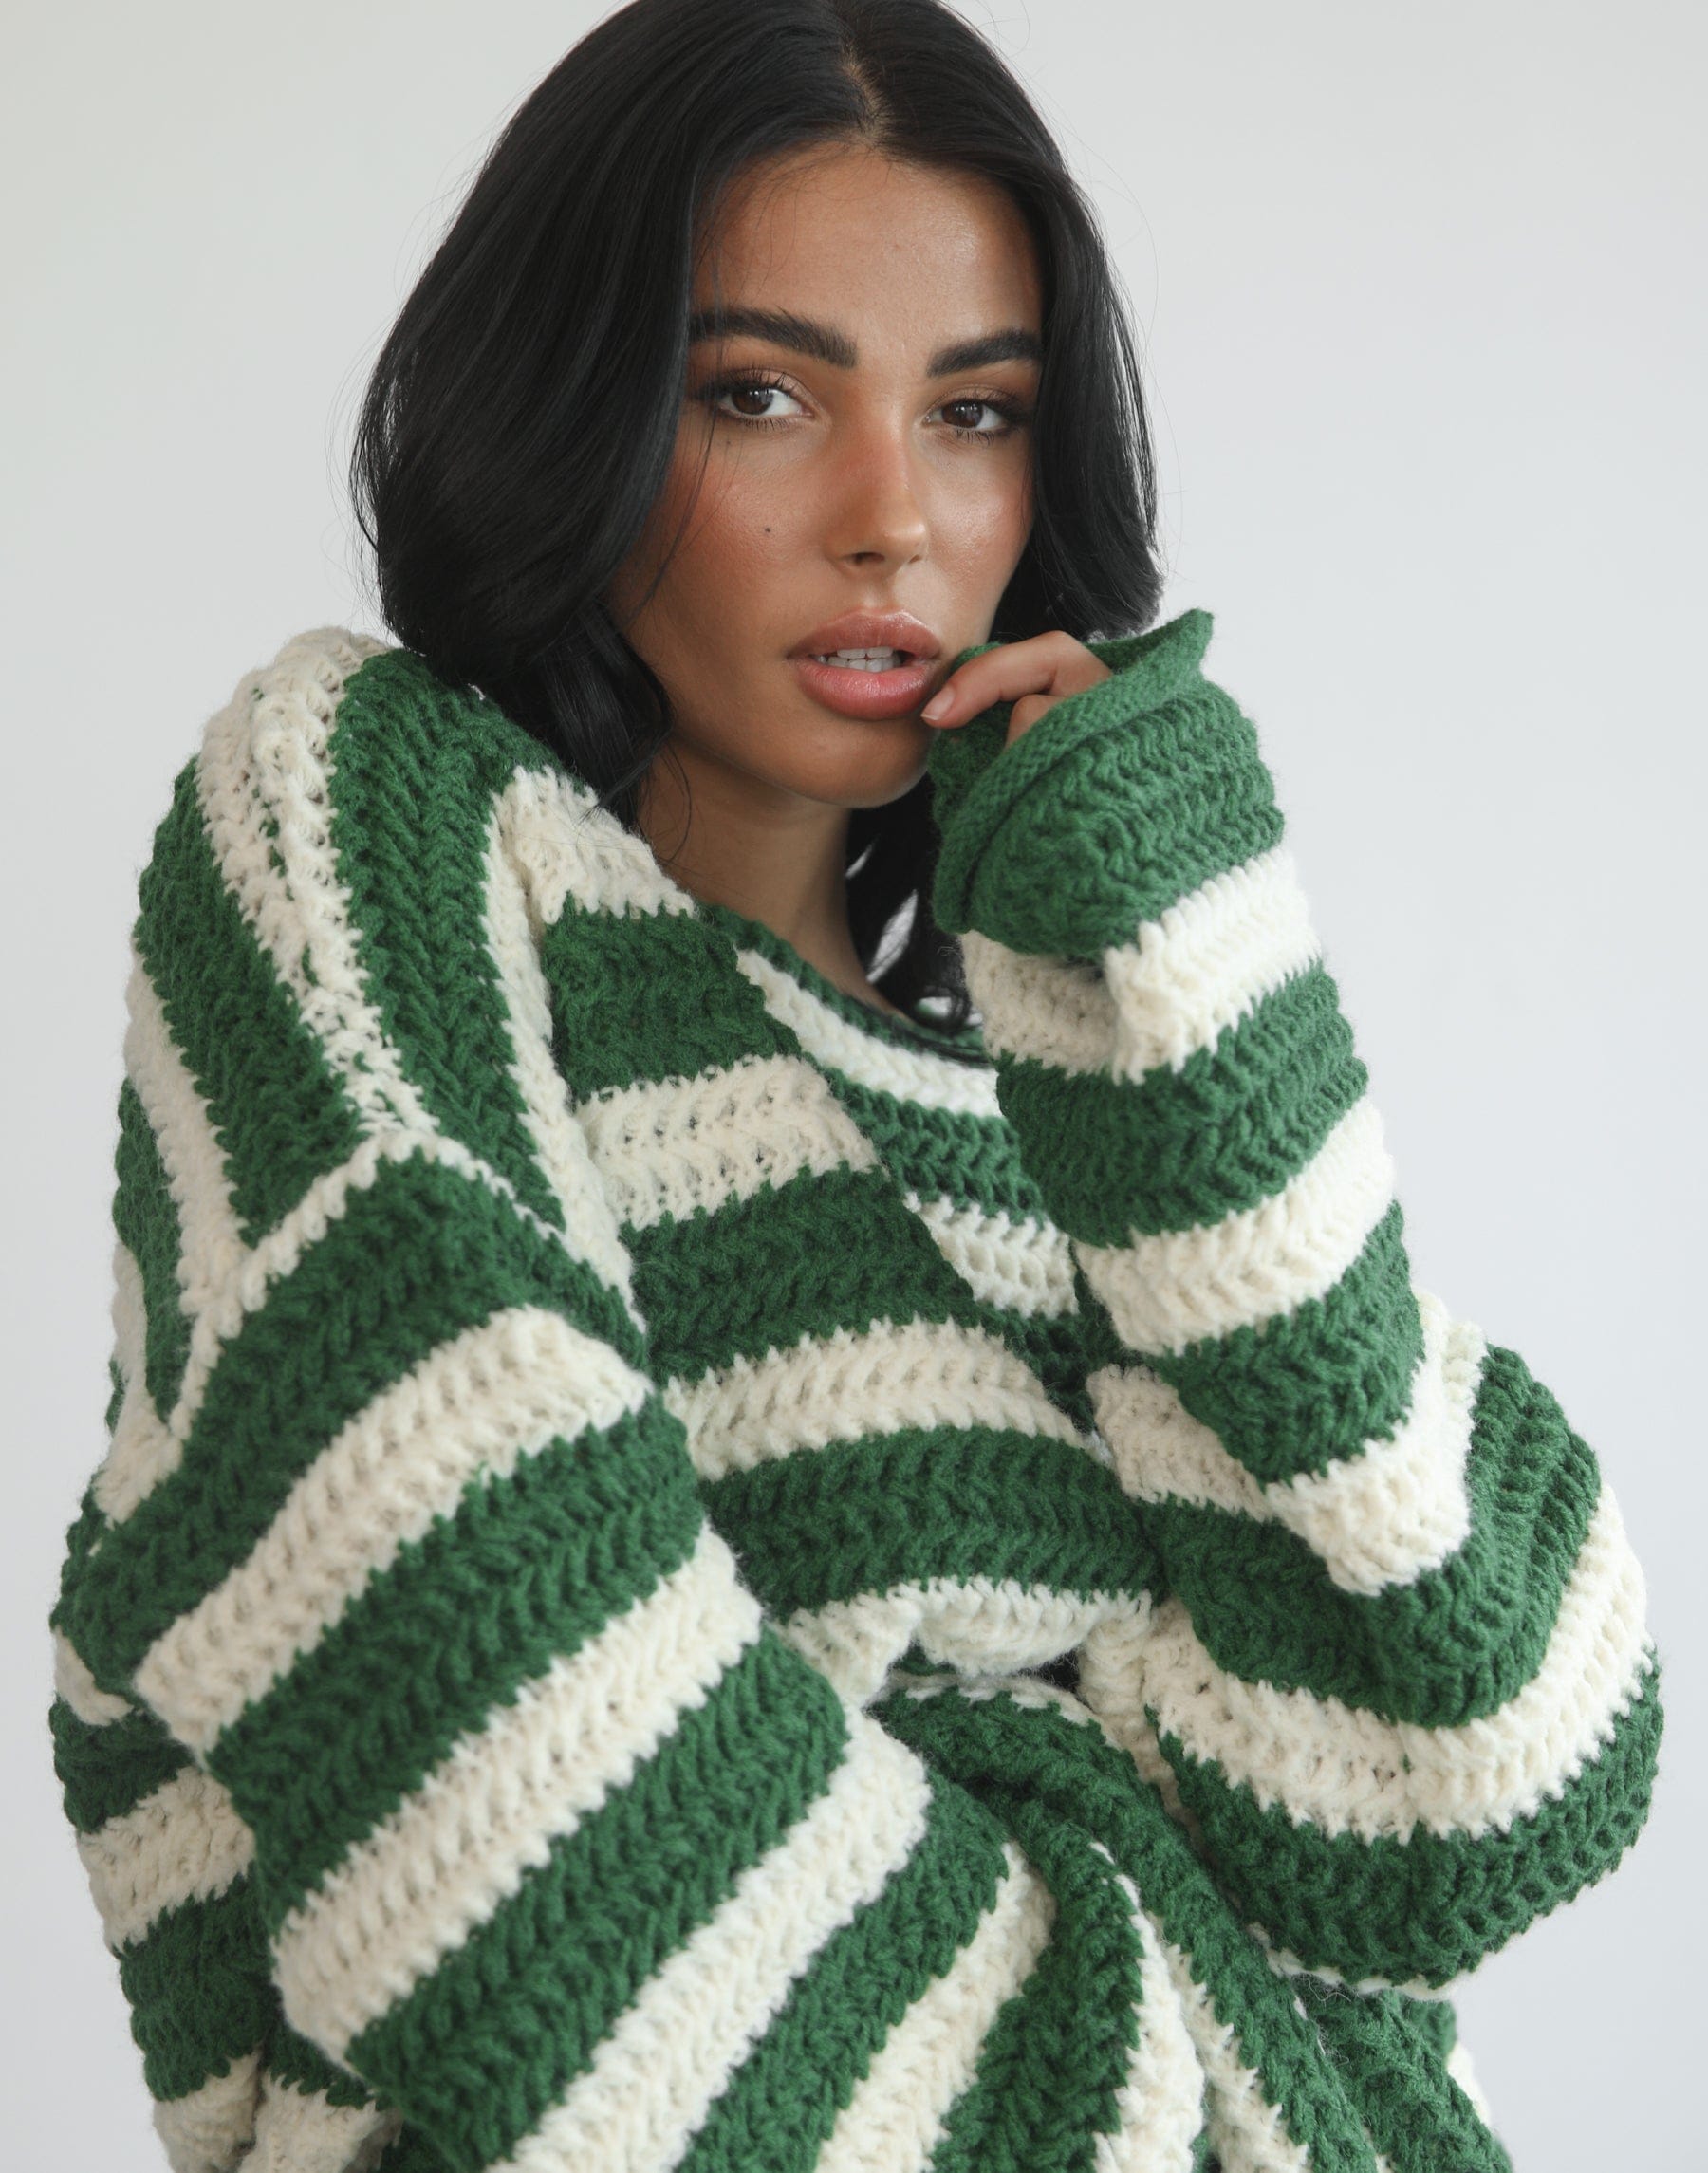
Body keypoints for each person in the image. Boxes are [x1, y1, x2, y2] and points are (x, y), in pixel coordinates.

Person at [47, 2, 1662, 2168]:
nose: (895, 517)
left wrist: (1180, 990)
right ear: (578, 403)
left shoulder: (1061, 1108)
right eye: (763, 393)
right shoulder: (373, 818)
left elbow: (1470, 1777)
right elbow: (501, 1729)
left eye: (977, 413)